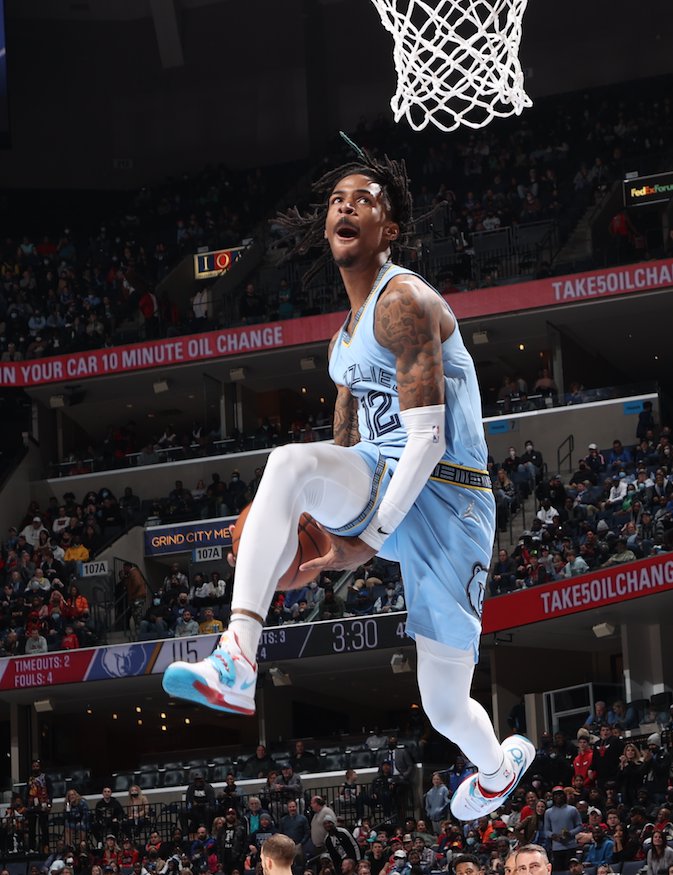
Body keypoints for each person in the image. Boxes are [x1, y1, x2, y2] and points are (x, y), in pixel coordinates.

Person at [162, 141, 534, 820]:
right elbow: (341, 449)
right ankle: (237, 655)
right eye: (337, 199)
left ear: (386, 229)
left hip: (449, 498)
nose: (345, 205)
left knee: (444, 702)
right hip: (386, 475)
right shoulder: (342, 343)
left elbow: (428, 437)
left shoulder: (404, 301)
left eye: (363, 199)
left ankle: (497, 764)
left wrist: (362, 541)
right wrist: (310, 540)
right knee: (290, 465)